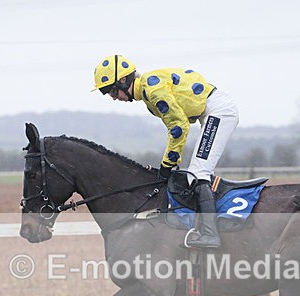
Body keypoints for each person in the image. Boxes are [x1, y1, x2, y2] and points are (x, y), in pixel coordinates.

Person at [93, 54, 239, 248]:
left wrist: (167, 165)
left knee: (198, 173)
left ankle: (211, 234)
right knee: (192, 175)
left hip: (218, 111)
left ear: (123, 80)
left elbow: (179, 128)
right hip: (211, 111)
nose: (113, 98)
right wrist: (171, 163)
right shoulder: (147, 92)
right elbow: (178, 127)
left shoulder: (152, 90)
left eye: (112, 92)